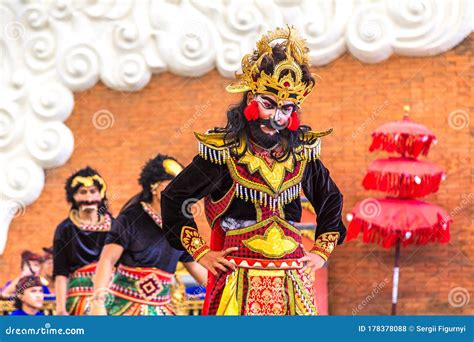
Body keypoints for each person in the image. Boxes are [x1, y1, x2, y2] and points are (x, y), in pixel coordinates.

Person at [161, 26, 346, 315]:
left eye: (286, 109)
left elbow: (331, 200)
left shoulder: (302, 154)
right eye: (269, 105)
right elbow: (174, 198)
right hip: (239, 277)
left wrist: (321, 252)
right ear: (251, 100)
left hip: (292, 279)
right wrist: (201, 253)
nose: (276, 118)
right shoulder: (223, 152)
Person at [91, 154, 207, 315]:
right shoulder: (130, 218)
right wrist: (98, 303)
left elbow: (195, 266)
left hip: (162, 310)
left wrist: (228, 292)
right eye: (171, 184)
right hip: (124, 307)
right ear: (154, 186)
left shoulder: (181, 225)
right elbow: (107, 260)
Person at [53, 166, 113, 315]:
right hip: (79, 298)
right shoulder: (65, 229)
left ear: (101, 194)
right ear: (73, 196)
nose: (89, 198)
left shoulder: (115, 226)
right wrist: (60, 308)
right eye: (82, 192)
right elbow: (61, 272)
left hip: (111, 294)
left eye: (93, 191)